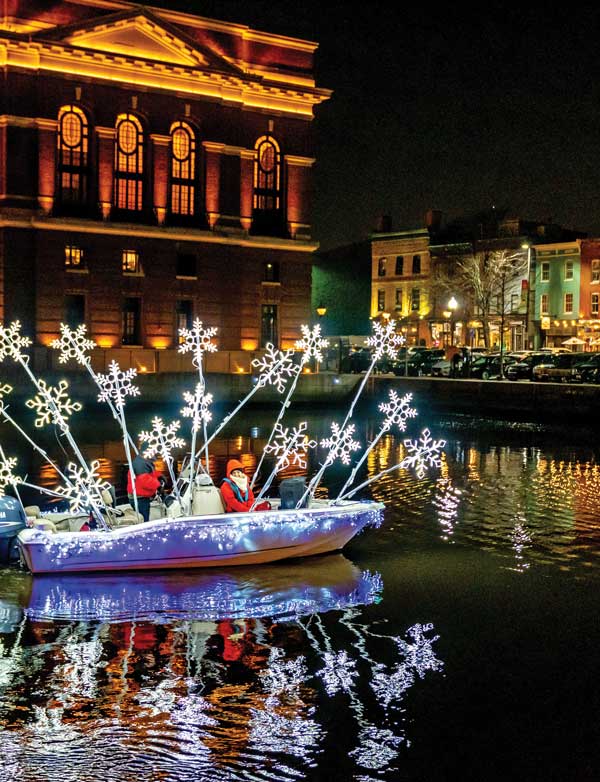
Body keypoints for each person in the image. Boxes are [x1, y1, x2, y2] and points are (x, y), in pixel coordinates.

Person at [127, 452, 162, 522]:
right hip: (139, 498)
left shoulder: (142, 461)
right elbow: (145, 481)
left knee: (144, 516)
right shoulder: (141, 464)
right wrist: (158, 486)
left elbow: (149, 473)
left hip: (140, 496)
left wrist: (160, 476)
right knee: (144, 520)